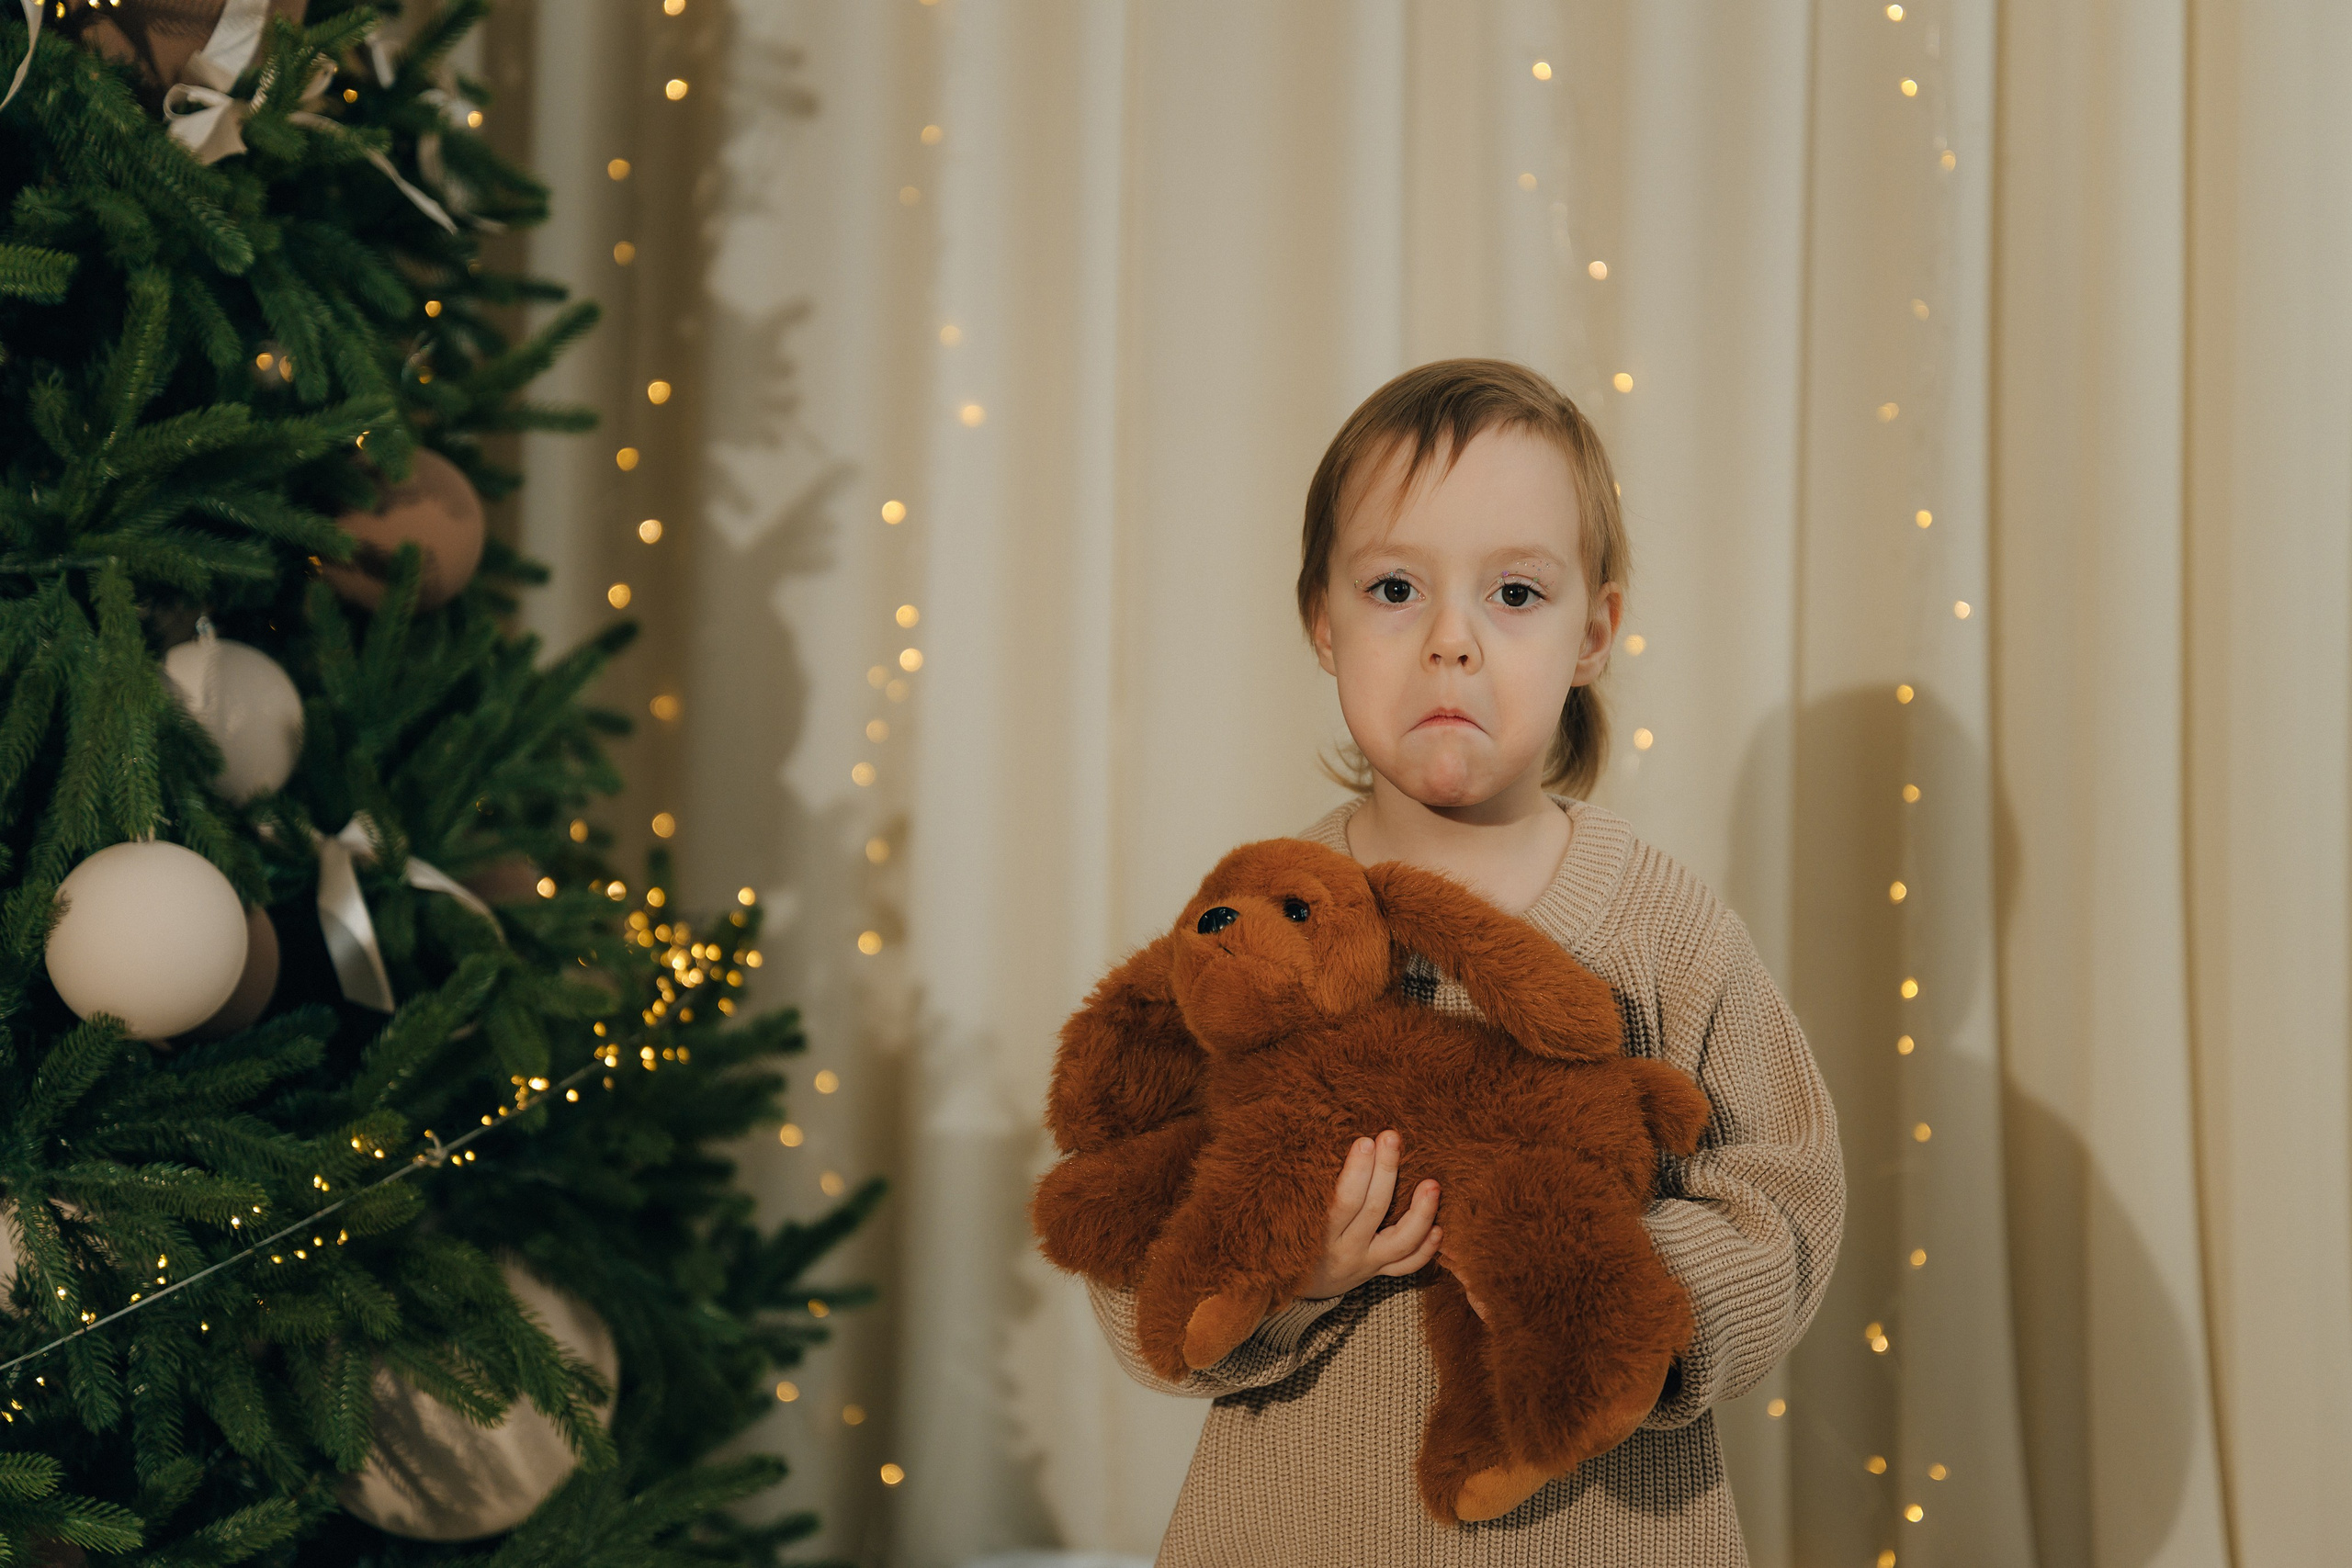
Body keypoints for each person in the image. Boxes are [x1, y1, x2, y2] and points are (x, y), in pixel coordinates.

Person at [1082, 358, 1845, 1564]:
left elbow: (1787, 1189)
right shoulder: (1254, 922)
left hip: (1606, 1531)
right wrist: (1294, 1279)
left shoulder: (1662, 924)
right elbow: (1134, 1211)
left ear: (1593, 631)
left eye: (1515, 596)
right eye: (1395, 588)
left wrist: (1616, 1301)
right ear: (1321, 623)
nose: (1451, 641)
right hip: (1299, 1525)